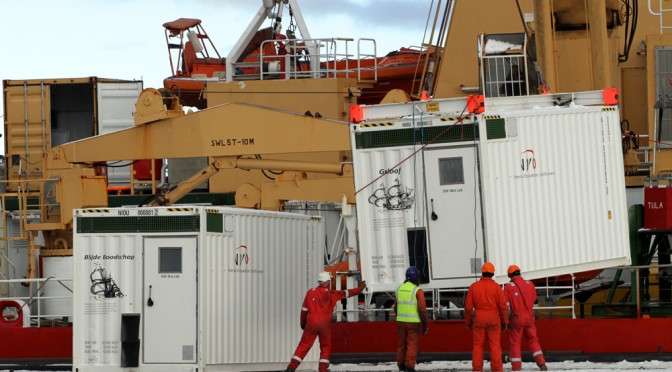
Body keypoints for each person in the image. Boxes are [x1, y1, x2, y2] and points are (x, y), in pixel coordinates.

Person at [284, 271, 366, 372]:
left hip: (311, 324)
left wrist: (303, 324)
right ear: (327, 282)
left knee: (304, 345)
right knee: (325, 347)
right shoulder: (332, 294)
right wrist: (359, 289)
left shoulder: (310, 292)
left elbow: (304, 310)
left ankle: (291, 368)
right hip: (325, 325)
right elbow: (346, 293)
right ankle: (323, 369)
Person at [464, 262, 508, 372]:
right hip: (494, 319)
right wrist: (504, 321)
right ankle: (497, 369)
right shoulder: (497, 287)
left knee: (478, 346)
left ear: (482, 273)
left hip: (478, 319)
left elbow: (468, 307)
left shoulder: (474, 287)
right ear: (492, 274)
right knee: (495, 346)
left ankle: (477, 369)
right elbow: (503, 306)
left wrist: (468, 322)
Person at [504, 265, 548, 371]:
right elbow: (535, 301)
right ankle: (542, 364)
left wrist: (505, 320)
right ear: (519, 273)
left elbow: (506, 306)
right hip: (529, 318)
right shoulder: (530, 284)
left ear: (510, 275)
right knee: (533, 340)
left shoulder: (508, 287)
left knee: (515, 343)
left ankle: (516, 367)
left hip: (516, 318)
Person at [395, 266, 429, 372]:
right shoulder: (417, 291)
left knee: (401, 344)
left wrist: (400, 316)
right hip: (413, 323)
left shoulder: (399, 289)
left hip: (400, 321)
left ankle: (401, 365)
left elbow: (395, 307)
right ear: (416, 278)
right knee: (412, 345)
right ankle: (409, 366)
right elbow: (422, 310)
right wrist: (425, 324)